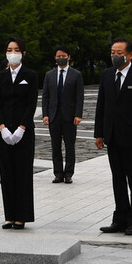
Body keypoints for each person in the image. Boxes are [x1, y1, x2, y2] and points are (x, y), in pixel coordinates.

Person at [94, 37, 132, 236]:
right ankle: (119, 218)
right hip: (113, 136)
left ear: (130, 55)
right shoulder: (107, 75)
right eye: (112, 52)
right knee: (118, 180)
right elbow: (101, 105)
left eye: (119, 53)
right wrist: (99, 133)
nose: (115, 56)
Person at [0, 36, 38, 229]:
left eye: (16, 50)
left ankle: (22, 216)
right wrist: (2, 128)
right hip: (4, 132)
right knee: (7, 173)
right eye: (9, 50)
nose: (12, 53)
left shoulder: (31, 75)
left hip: (23, 132)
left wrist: (21, 128)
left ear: (23, 53)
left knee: (23, 173)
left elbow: (31, 104)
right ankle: (9, 215)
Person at [41, 46, 84, 184]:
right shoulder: (49, 75)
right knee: (55, 146)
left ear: (69, 57)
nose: (61, 58)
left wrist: (78, 114)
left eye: (63, 56)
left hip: (70, 116)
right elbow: (45, 96)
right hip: (54, 116)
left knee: (69, 146)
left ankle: (69, 173)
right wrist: (45, 114)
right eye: (58, 56)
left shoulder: (76, 74)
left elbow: (79, 96)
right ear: (55, 58)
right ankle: (58, 173)